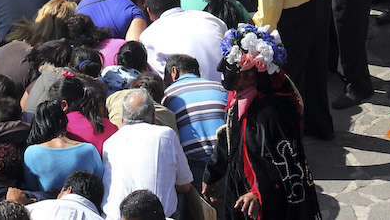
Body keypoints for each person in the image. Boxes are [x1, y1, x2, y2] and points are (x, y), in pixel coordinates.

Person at [202, 24, 322, 218]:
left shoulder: (274, 112)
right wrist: (212, 174)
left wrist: (259, 193)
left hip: (271, 205)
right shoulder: (239, 98)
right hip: (241, 192)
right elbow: (230, 139)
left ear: (251, 74)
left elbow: (285, 160)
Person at [101, 87, 193, 219]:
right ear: (154, 118)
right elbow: (185, 186)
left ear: (122, 119)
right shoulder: (167, 135)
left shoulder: (109, 143)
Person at [139, 0, 227, 84]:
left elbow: (160, 81)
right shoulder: (211, 19)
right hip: (228, 92)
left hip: (187, 96)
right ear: (179, 2)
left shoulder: (147, 37)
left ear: (149, 12)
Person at [162, 53, 227, 186]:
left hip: (194, 168)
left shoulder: (167, 96)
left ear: (174, 72)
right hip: (225, 162)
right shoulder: (220, 88)